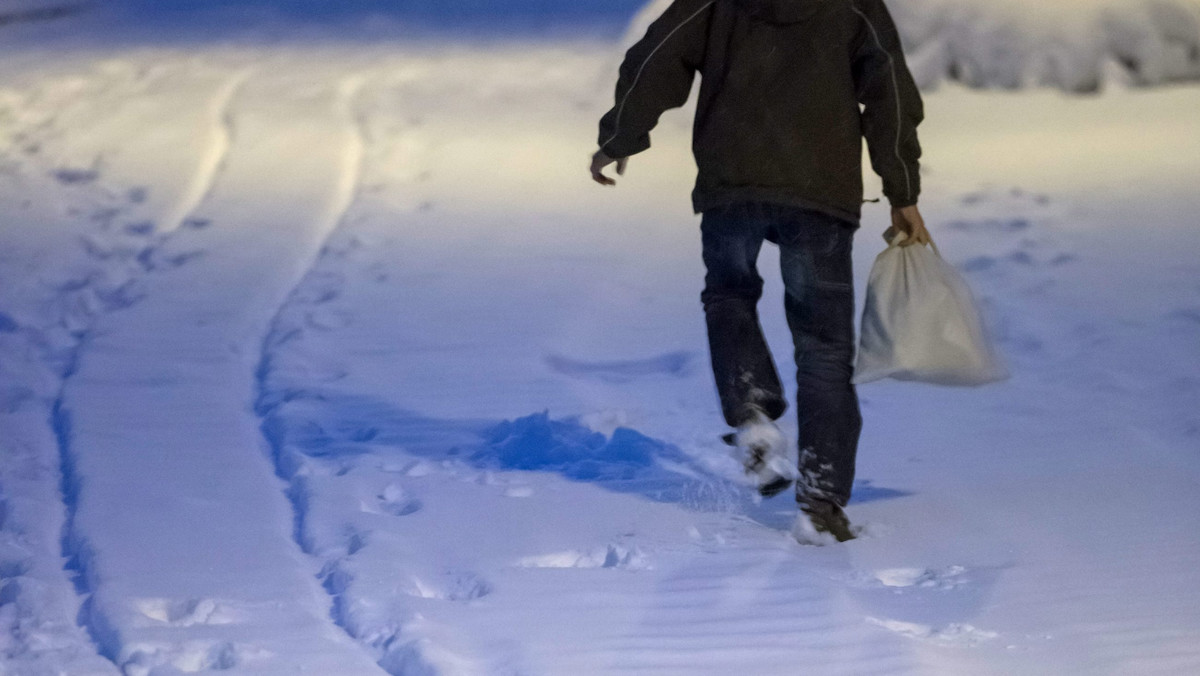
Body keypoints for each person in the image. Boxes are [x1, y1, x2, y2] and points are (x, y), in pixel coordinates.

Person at [591, 0, 931, 543]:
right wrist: (902, 190)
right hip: (819, 195)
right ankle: (821, 502)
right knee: (823, 347)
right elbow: (889, 89)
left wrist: (621, 137)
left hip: (733, 187)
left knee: (729, 294)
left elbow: (653, 55)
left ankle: (752, 414)